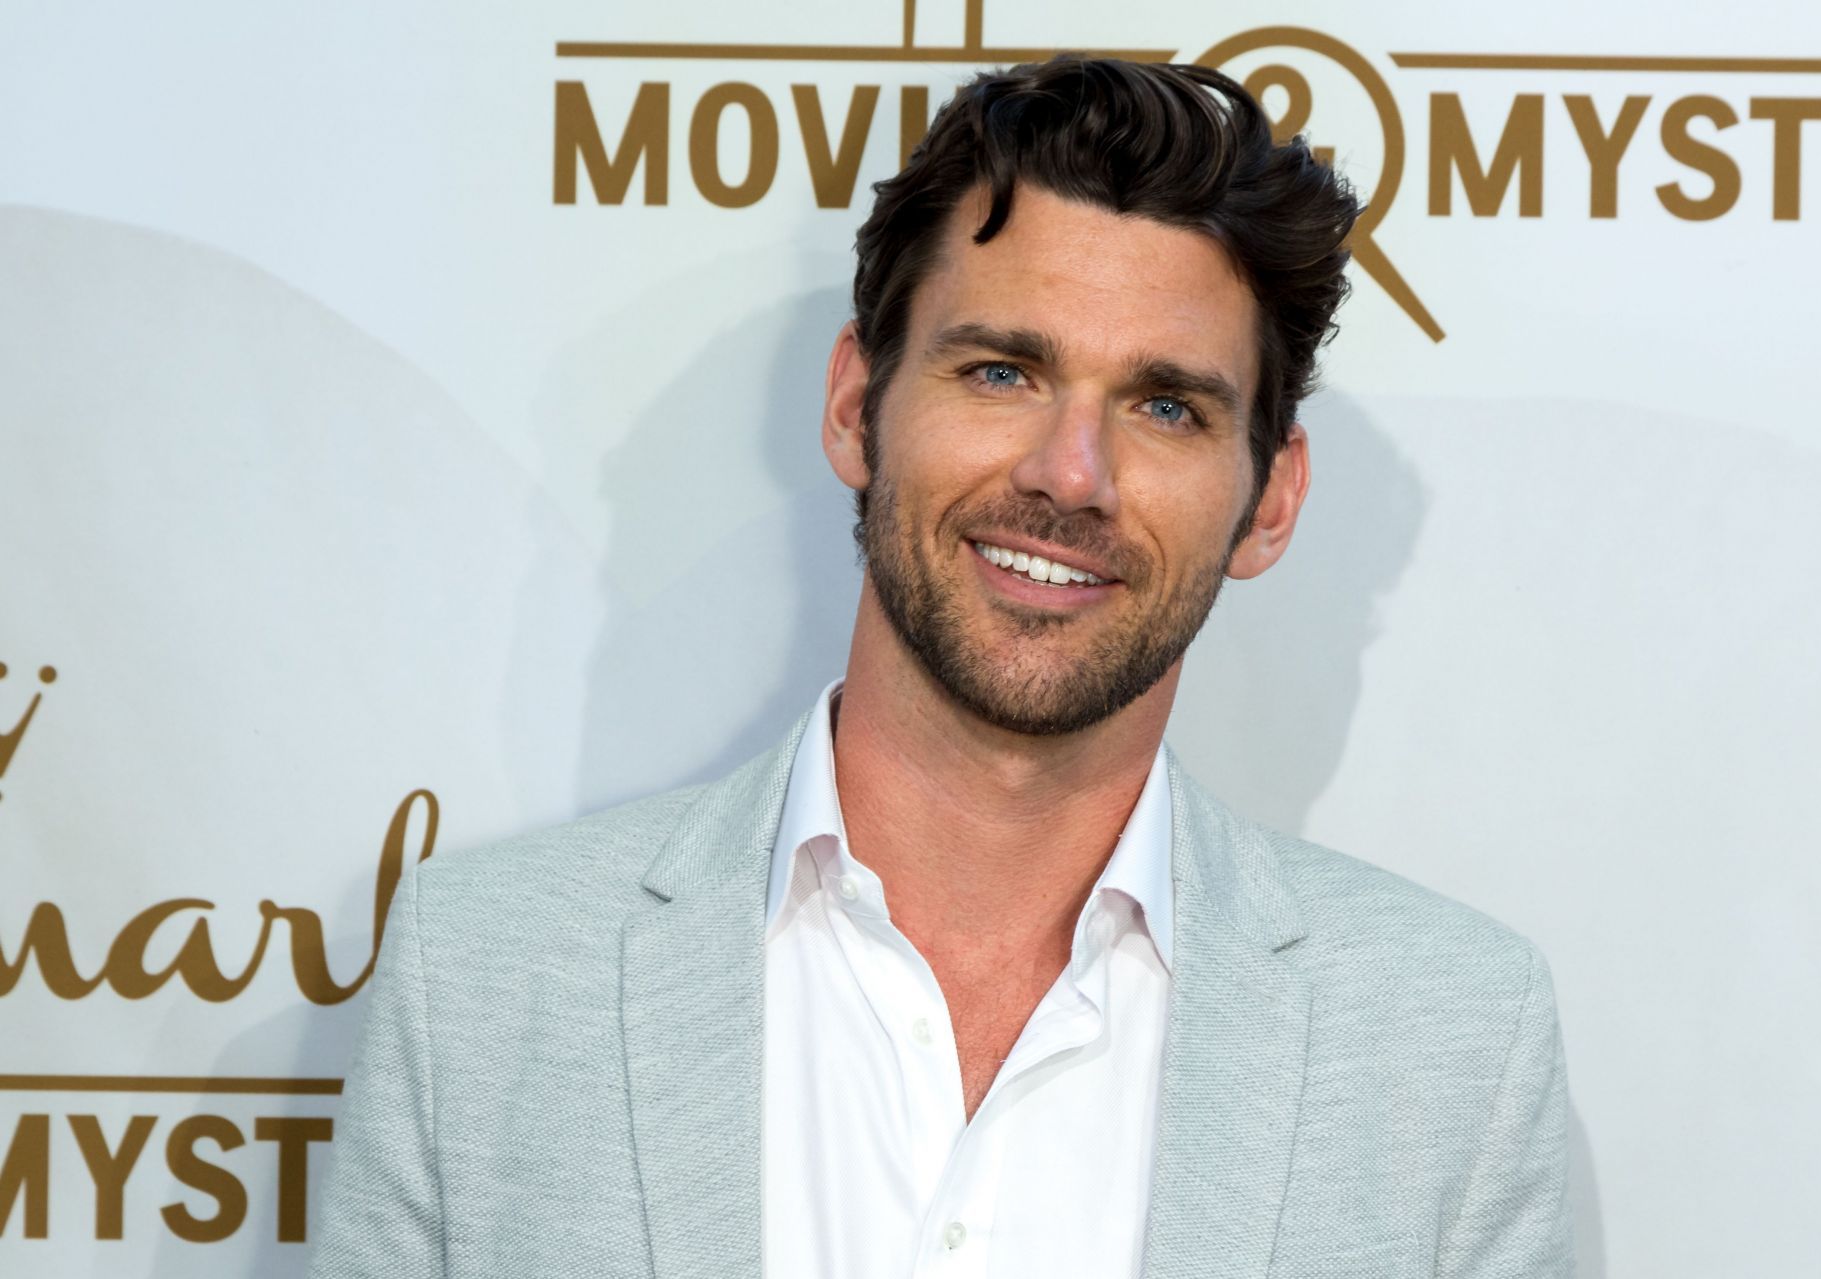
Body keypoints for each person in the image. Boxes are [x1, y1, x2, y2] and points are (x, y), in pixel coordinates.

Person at [309, 56, 1571, 1278]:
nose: (1069, 474)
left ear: (1272, 501)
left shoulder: (1449, 1041)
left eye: (1165, 407)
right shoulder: (481, 976)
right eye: (1002, 371)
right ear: (855, 407)